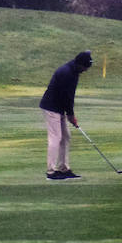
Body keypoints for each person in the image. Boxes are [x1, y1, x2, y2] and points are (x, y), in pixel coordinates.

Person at [39, 50, 92, 180]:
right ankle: (51, 172)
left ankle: (64, 169)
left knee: (66, 137)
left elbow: (70, 96)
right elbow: (66, 97)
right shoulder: (66, 73)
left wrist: (69, 114)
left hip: (60, 107)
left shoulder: (74, 71)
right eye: (85, 67)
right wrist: (70, 115)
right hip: (51, 107)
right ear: (80, 64)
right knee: (55, 138)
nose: (85, 70)